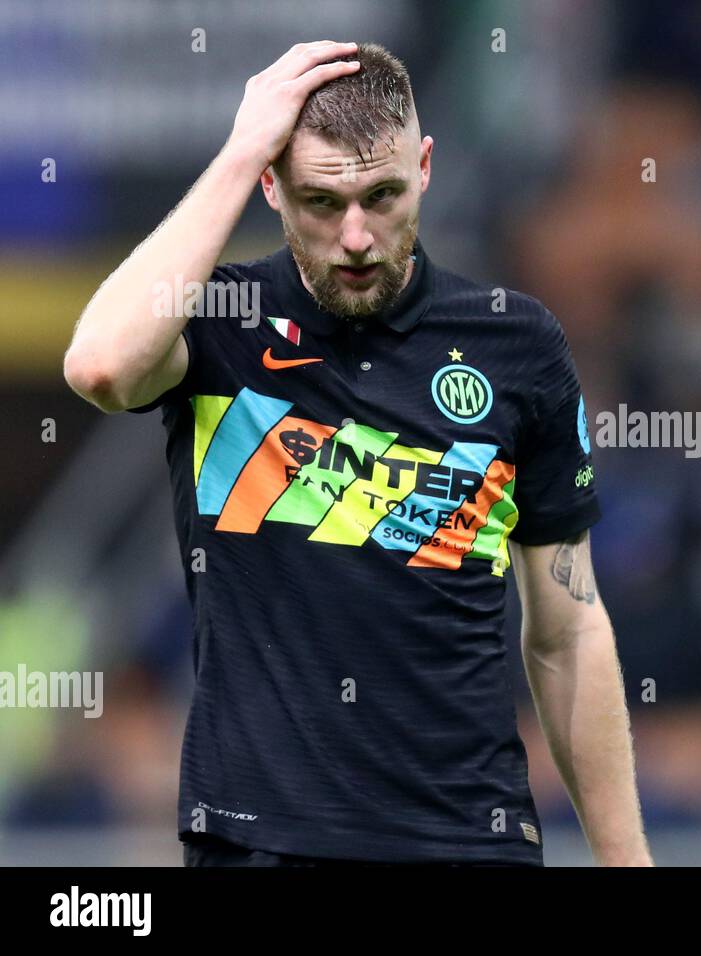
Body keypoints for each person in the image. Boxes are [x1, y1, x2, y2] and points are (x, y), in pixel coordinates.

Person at [63, 40, 651, 867]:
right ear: (271, 185)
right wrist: (236, 152)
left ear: (426, 167)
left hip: (468, 839)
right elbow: (101, 366)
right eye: (318, 201)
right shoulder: (219, 323)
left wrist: (628, 864)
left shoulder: (514, 342)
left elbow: (569, 631)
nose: (356, 238)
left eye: (382, 195)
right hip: (258, 843)